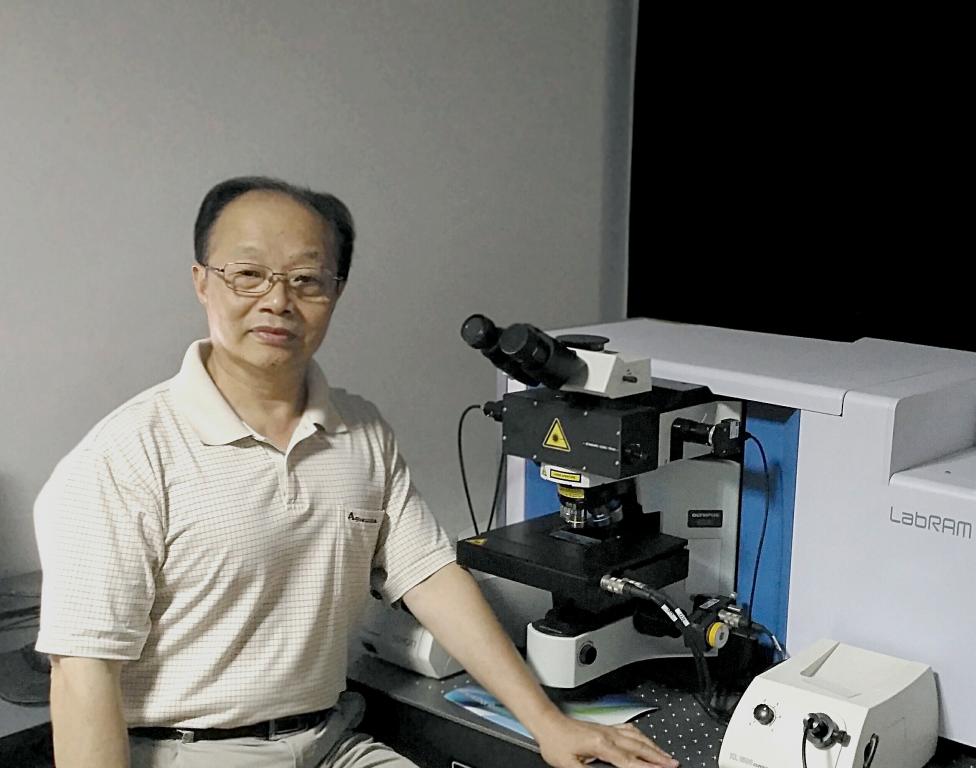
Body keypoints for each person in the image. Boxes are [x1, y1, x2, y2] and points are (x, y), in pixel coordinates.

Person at [34, 176, 679, 768]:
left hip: (332, 744)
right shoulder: (125, 457)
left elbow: (432, 579)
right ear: (202, 281)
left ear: (335, 292)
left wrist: (547, 722)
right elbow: (83, 673)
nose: (277, 301)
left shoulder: (360, 430)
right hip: (188, 752)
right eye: (248, 275)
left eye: (306, 280)